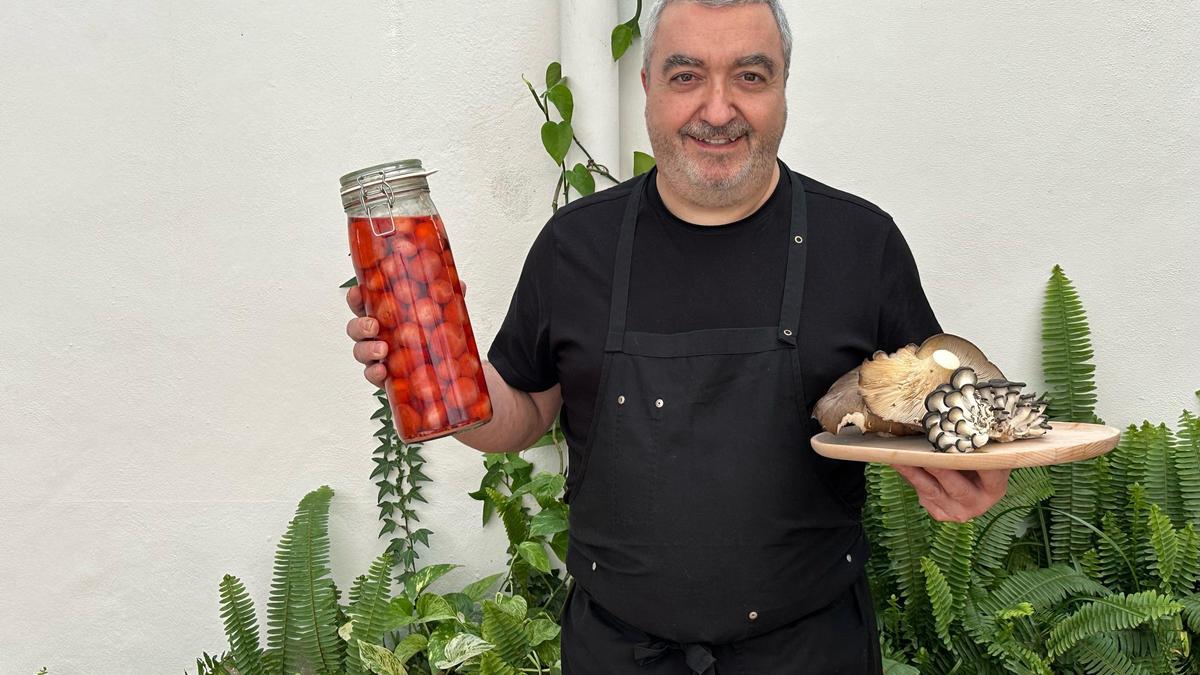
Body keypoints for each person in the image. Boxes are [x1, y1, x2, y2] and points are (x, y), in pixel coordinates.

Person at [346, 1, 1010, 671]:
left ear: (784, 87)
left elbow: (942, 405)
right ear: (648, 89)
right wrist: (432, 365)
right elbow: (521, 414)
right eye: (686, 76)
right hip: (619, 653)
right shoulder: (575, 246)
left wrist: (976, 468)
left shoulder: (862, 244)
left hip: (811, 651)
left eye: (750, 77)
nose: (717, 111)